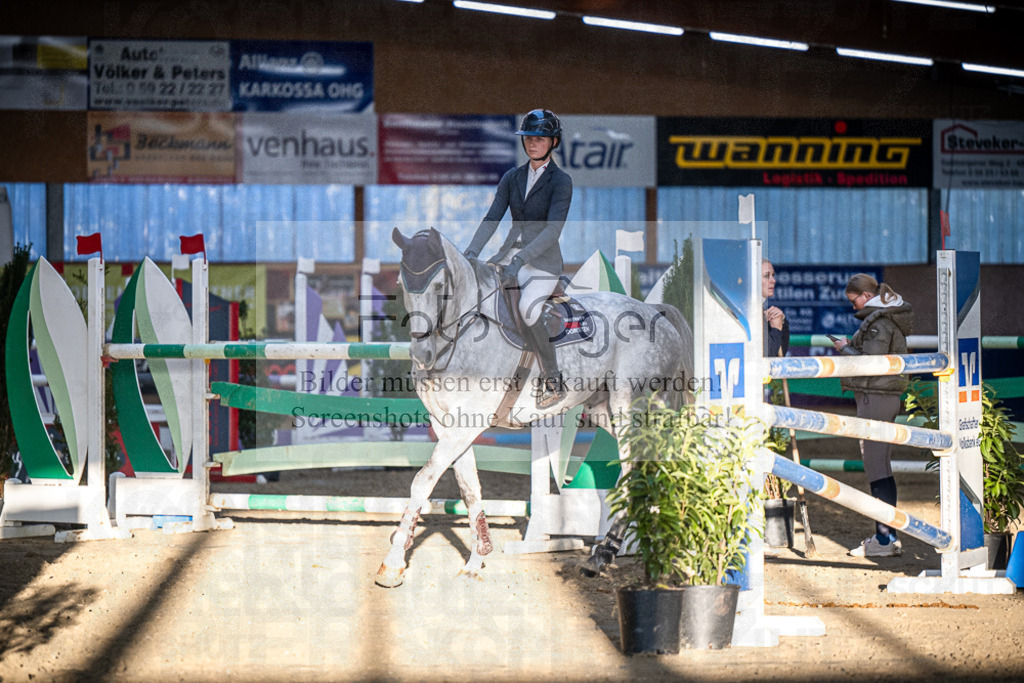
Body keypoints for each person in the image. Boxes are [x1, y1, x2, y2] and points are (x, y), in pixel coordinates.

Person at [463, 109, 573, 409]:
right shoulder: (512, 177)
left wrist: (521, 259)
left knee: (527, 308)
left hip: (543, 261)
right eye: (528, 139)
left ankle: (553, 378)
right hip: (509, 253)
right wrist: (471, 252)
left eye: (538, 139)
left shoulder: (561, 181)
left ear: (553, 142)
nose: (532, 144)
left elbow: (552, 231)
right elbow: (492, 217)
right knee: (480, 295)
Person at [832, 273, 914, 557]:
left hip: (875, 398)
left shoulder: (879, 322)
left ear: (866, 296)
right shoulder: (885, 318)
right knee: (883, 469)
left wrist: (845, 349)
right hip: (882, 397)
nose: (854, 307)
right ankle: (888, 535)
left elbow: (870, 364)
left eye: (854, 301)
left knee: (877, 470)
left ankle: (883, 541)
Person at [762, 258, 789, 358]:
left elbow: (780, 354)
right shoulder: (751, 311)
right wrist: (776, 329)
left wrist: (782, 323)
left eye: (773, 275)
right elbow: (769, 353)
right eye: (766, 276)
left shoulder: (762, 310)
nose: (773, 280)